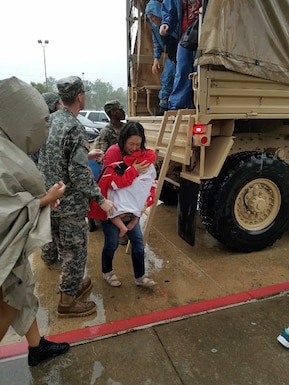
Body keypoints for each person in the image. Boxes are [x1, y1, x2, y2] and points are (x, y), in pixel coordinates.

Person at [0, 76, 69, 366]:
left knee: (24, 291)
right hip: (6, 250)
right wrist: (43, 199)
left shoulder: (7, 148)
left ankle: (36, 347)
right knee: (11, 301)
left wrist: (40, 201)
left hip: (13, 249)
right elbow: (4, 209)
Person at [38, 76, 116, 317]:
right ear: (80, 96)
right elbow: (78, 172)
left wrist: (88, 155)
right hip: (69, 202)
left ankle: (69, 286)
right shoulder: (74, 126)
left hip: (52, 197)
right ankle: (67, 302)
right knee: (75, 251)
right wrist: (100, 199)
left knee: (63, 247)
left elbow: (52, 157)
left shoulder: (51, 121)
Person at [91, 121, 158, 288]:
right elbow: (109, 181)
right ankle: (108, 271)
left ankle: (140, 276)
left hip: (132, 205)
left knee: (137, 240)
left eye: (138, 144)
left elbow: (147, 179)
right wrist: (134, 170)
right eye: (131, 144)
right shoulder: (113, 152)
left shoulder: (141, 154)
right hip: (111, 206)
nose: (135, 148)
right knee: (112, 241)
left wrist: (144, 202)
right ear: (123, 140)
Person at [88, 147, 157, 238]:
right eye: (132, 144)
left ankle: (122, 228)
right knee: (137, 213)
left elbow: (113, 182)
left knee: (113, 214)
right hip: (137, 202)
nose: (134, 147)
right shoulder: (149, 167)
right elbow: (153, 183)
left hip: (123, 201)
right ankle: (130, 224)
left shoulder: (128, 163)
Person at [90, 100, 128, 241]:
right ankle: (117, 228)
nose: (123, 112)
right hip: (113, 168)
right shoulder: (107, 131)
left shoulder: (125, 128)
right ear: (112, 112)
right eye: (120, 109)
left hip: (126, 167)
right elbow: (102, 154)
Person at [159, 0, 202, 110]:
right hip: (185, 37)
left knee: (201, 72)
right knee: (182, 71)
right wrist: (166, 23)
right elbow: (170, 10)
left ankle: (201, 104)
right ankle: (176, 106)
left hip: (205, 37)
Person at [145, 0, 177, 116]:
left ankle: (177, 107)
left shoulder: (171, 23)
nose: (152, 20)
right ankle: (164, 107)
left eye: (153, 16)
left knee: (179, 80)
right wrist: (156, 58)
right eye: (150, 18)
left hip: (180, 53)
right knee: (166, 79)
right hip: (171, 56)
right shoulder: (155, 28)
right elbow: (156, 43)